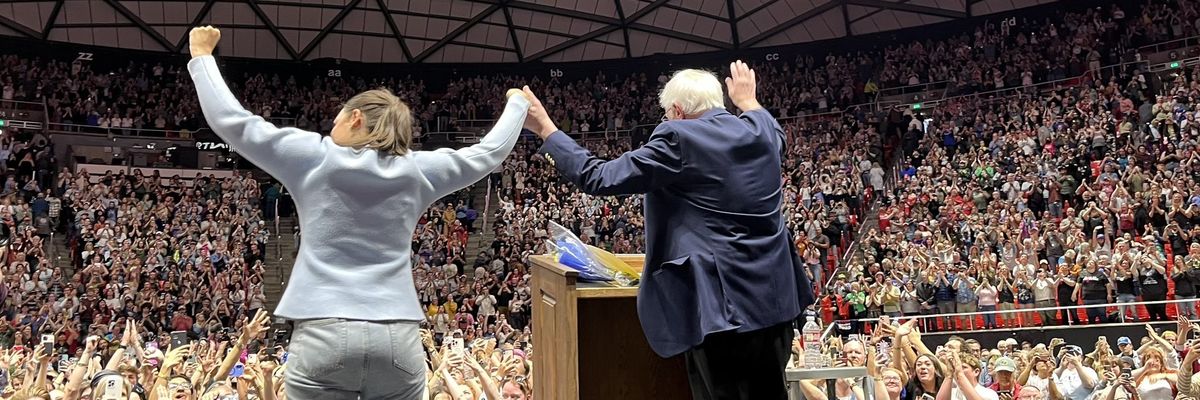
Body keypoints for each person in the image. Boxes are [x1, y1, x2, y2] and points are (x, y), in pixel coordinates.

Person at [186, 26, 530, 399]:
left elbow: (233, 122)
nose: (331, 125)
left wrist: (202, 56)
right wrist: (516, 104)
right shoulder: (418, 171)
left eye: (337, 117)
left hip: (324, 332)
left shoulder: (314, 157)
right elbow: (487, 154)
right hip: (398, 338)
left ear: (355, 119)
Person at [523, 61, 814, 399]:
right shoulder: (762, 129)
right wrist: (747, 99)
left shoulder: (678, 136)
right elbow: (765, 123)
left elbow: (598, 177)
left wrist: (546, 128)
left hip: (722, 313)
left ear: (676, 111)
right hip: (776, 303)